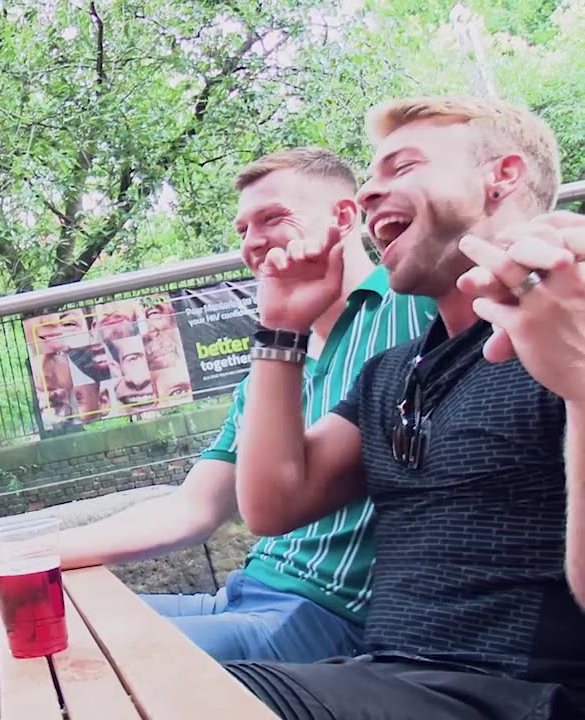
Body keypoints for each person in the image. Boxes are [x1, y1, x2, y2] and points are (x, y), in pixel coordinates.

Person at [0, 148, 437, 664]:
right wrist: (22, 555)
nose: (252, 241)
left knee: (77, 660)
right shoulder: (269, 371)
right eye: (243, 229)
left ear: (344, 217)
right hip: (244, 596)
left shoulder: (417, 307)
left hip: (328, 617)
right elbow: (191, 508)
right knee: (11, 633)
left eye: (273, 218)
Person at [230, 96, 585, 718]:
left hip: (521, 697)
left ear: (501, 176)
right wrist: (281, 327)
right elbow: (273, 505)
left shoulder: (569, 330)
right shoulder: (392, 372)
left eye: (403, 166)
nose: (369, 192)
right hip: (382, 678)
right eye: (370, 176)